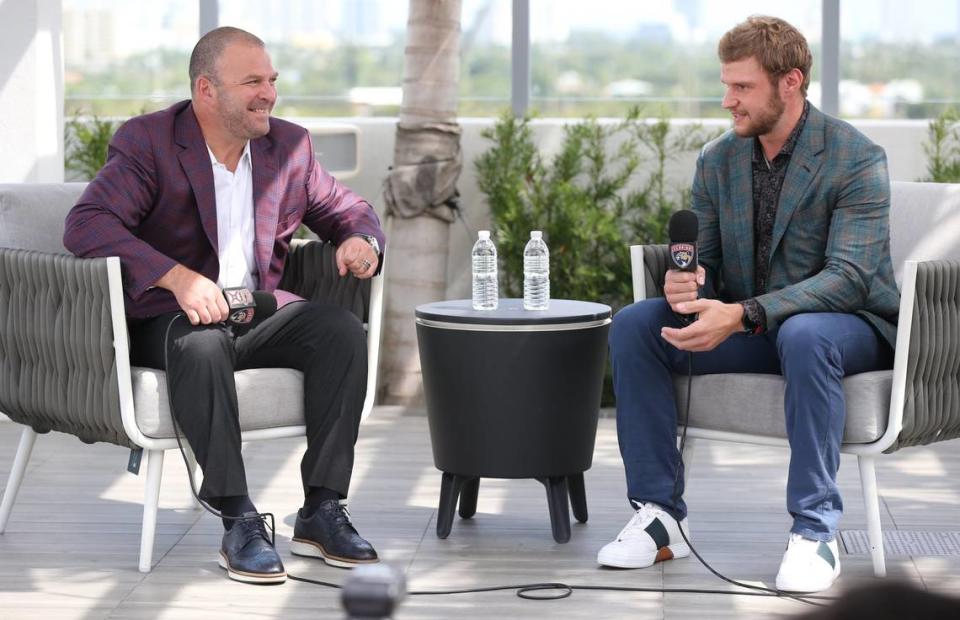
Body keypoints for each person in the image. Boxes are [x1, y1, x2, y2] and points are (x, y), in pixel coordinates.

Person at [63, 27, 385, 585]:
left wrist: (362, 240)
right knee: (204, 342)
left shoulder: (289, 146)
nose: (269, 93)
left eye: (272, 80)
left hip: (254, 312)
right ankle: (238, 517)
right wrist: (177, 277)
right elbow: (87, 224)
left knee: (339, 330)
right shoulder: (150, 143)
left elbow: (347, 208)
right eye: (253, 82)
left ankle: (322, 510)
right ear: (207, 90)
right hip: (168, 319)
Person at [597, 15, 899, 594]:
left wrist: (742, 313)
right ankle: (660, 519)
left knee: (806, 333)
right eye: (725, 84)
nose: (726, 100)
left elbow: (850, 278)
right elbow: (704, 260)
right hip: (755, 325)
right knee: (637, 324)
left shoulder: (856, 158)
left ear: (791, 82)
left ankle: (814, 532)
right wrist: (689, 288)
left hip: (848, 328)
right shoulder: (718, 160)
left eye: (742, 87)